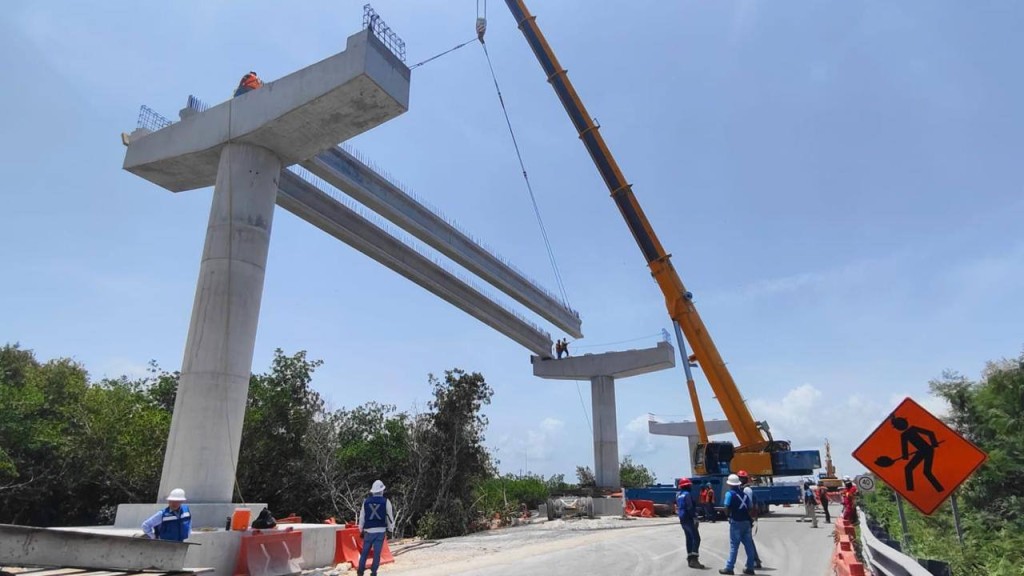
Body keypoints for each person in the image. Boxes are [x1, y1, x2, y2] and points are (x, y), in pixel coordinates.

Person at [720, 473, 757, 575]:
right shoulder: (744, 494)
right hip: (746, 522)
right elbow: (750, 507)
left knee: (734, 546)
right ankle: (750, 567)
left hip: (736, 522)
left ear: (730, 484)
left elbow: (726, 507)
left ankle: (729, 567)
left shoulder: (729, 494)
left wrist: (728, 516)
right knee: (749, 545)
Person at [358, 480, 395, 576]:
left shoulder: (366, 501)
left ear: (373, 491)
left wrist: (360, 529)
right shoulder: (386, 501)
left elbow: (362, 516)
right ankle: (373, 572)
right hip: (380, 531)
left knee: (364, 553)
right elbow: (390, 517)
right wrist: (391, 529)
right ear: (382, 490)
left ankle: (360, 571)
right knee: (377, 554)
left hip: (368, 531)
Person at [676, 478, 705, 569]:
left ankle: (689, 558)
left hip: (682, 518)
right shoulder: (687, 495)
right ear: (687, 486)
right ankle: (694, 560)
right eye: (689, 485)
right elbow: (690, 507)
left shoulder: (678, 495)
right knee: (696, 538)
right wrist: (694, 518)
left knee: (688, 538)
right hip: (689, 518)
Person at [737, 470, 762, 570]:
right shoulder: (743, 489)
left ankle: (755, 560)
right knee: (748, 541)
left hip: (747, 518)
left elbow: (749, 505)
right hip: (746, 518)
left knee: (748, 541)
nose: (739, 479)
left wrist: (748, 518)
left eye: (740, 478)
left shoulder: (746, 490)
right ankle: (755, 560)